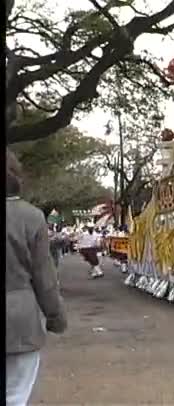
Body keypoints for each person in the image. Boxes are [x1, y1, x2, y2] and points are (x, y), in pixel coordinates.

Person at [6, 149, 67, 406]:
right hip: (20, 321)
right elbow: (44, 277)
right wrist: (55, 316)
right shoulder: (31, 216)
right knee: (15, 395)